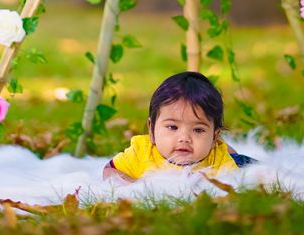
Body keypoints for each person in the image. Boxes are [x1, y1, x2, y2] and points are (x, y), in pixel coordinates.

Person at [102, 71, 257, 182]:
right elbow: (110, 171)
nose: (184, 138)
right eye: (172, 127)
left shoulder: (217, 158)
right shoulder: (141, 153)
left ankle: (229, 149)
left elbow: (234, 185)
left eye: (198, 130)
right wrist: (134, 187)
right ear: (151, 129)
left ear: (214, 136)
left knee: (252, 168)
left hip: (236, 159)